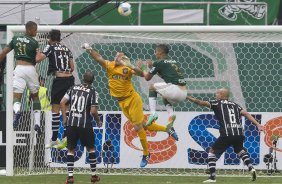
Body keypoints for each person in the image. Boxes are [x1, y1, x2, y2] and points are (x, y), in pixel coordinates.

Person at [82, 43, 178, 167]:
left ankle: (146, 154)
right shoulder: (110, 65)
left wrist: (131, 65)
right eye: (116, 56)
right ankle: (167, 129)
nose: (117, 58)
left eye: (120, 57)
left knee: (138, 127)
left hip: (132, 100)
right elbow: (98, 57)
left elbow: (142, 74)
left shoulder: (127, 68)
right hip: (122, 103)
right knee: (144, 125)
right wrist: (89, 48)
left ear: (124, 60)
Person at [186, 88, 264, 183]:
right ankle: (251, 167)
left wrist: (187, 97)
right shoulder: (235, 105)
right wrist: (258, 124)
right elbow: (246, 113)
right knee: (239, 150)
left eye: (218, 93)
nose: (216, 94)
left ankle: (212, 178)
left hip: (227, 133)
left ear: (222, 95)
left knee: (212, 152)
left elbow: (200, 103)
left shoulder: (217, 103)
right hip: (239, 133)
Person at [60, 71, 102, 184]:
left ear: (83, 79)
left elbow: (62, 102)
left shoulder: (73, 88)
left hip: (72, 123)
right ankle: (93, 175)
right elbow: (93, 111)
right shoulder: (93, 91)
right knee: (90, 148)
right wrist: (98, 120)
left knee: (71, 149)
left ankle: (70, 177)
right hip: (85, 124)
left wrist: (65, 118)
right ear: (93, 81)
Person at [133, 44, 187, 130]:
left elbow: (147, 78)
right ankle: (171, 115)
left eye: (156, 52)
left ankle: (153, 113)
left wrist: (143, 67)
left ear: (160, 52)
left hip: (175, 90)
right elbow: (163, 76)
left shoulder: (159, 62)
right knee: (164, 95)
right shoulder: (173, 61)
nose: (155, 54)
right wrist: (151, 67)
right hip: (183, 93)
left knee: (151, 87)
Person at [0, 21, 41, 133]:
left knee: (16, 97)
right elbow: (38, 58)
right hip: (31, 69)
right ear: (29, 29)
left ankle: (17, 111)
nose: (36, 32)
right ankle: (37, 123)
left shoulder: (15, 39)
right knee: (35, 97)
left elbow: (3, 52)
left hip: (19, 69)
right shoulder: (34, 42)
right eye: (35, 29)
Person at [36, 29, 75, 149]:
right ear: (59, 38)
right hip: (70, 80)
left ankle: (54, 139)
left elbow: (38, 59)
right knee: (67, 108)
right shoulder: (67, 49)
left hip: (60, 81)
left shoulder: (51, 47)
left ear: (50, 38)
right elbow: (72, 67)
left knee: (55, 109)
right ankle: (66, 136)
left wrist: (37, 50)